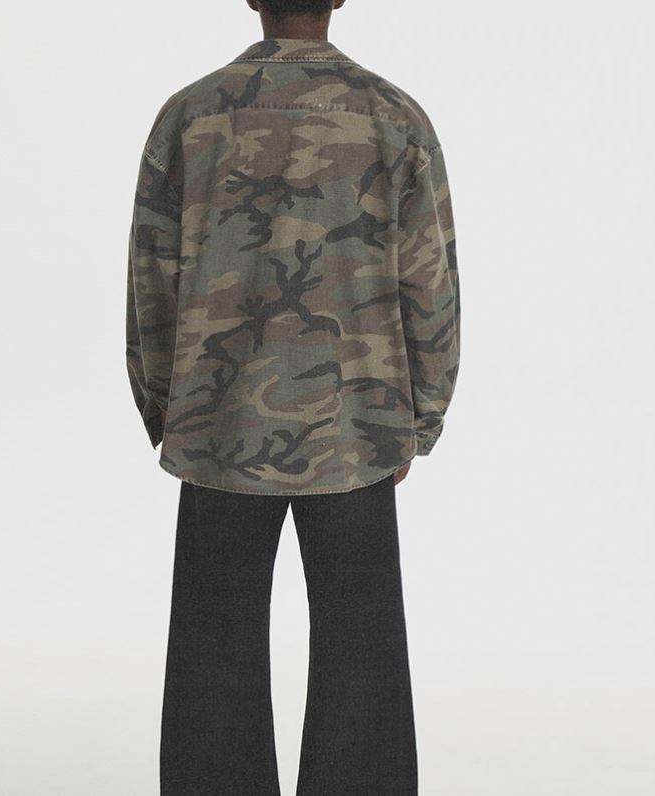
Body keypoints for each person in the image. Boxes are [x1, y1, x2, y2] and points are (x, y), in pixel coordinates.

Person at [126, 0, 460, 791]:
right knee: (363, 645)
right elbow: (430, 282)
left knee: (214, 641)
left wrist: (165, 406)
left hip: (217, 418)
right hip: (358, 423)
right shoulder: (394, 117)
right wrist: (420, 416)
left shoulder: (191, 115)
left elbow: (152, 277)